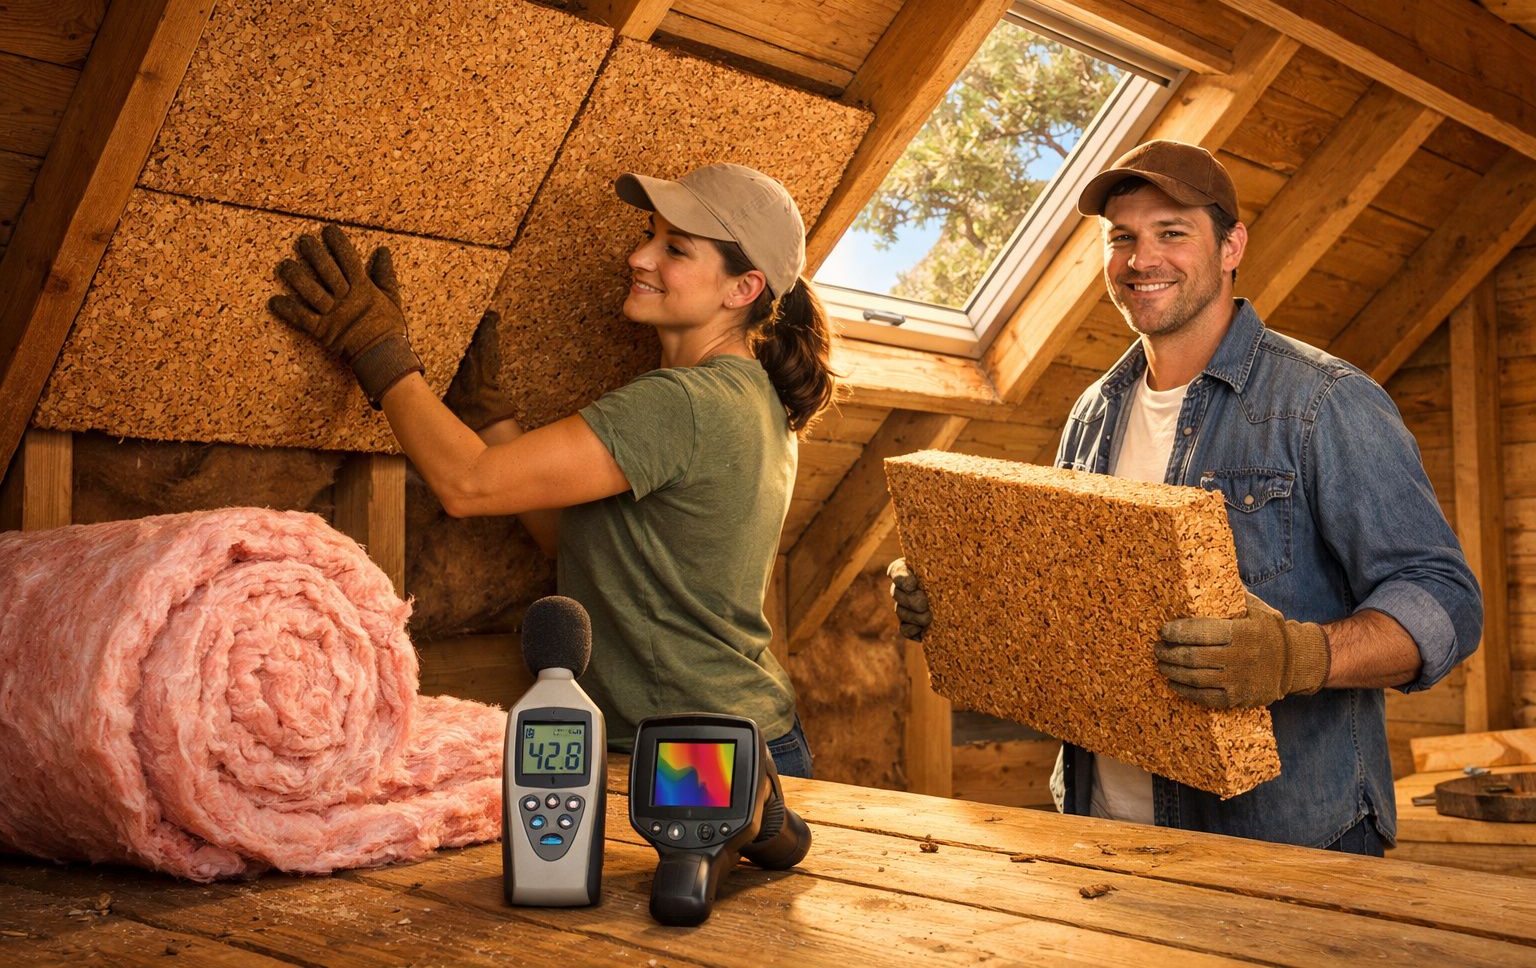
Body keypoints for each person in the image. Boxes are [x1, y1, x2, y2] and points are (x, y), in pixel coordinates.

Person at [888, 139, 1482, 852]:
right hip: (1099, 825)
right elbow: (1072, 605)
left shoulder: (1324, 403)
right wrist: (961, 596)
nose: (1142, 260)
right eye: (1123, 239)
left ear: (1232, 246)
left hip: (1284, 842)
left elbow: (1446, 600)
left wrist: (1300, 657)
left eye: (1172, 233)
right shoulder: (1092, 413)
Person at [269, 163, 837, 778]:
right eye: (650, 234)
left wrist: (374, 347)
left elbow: (466, 484)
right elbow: (576, 541)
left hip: (694, 754)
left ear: (743, 289)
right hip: (737, 734)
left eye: (674, 249)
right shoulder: (751, 397)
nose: (639, 257)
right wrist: (491, 419)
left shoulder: (682, 404)